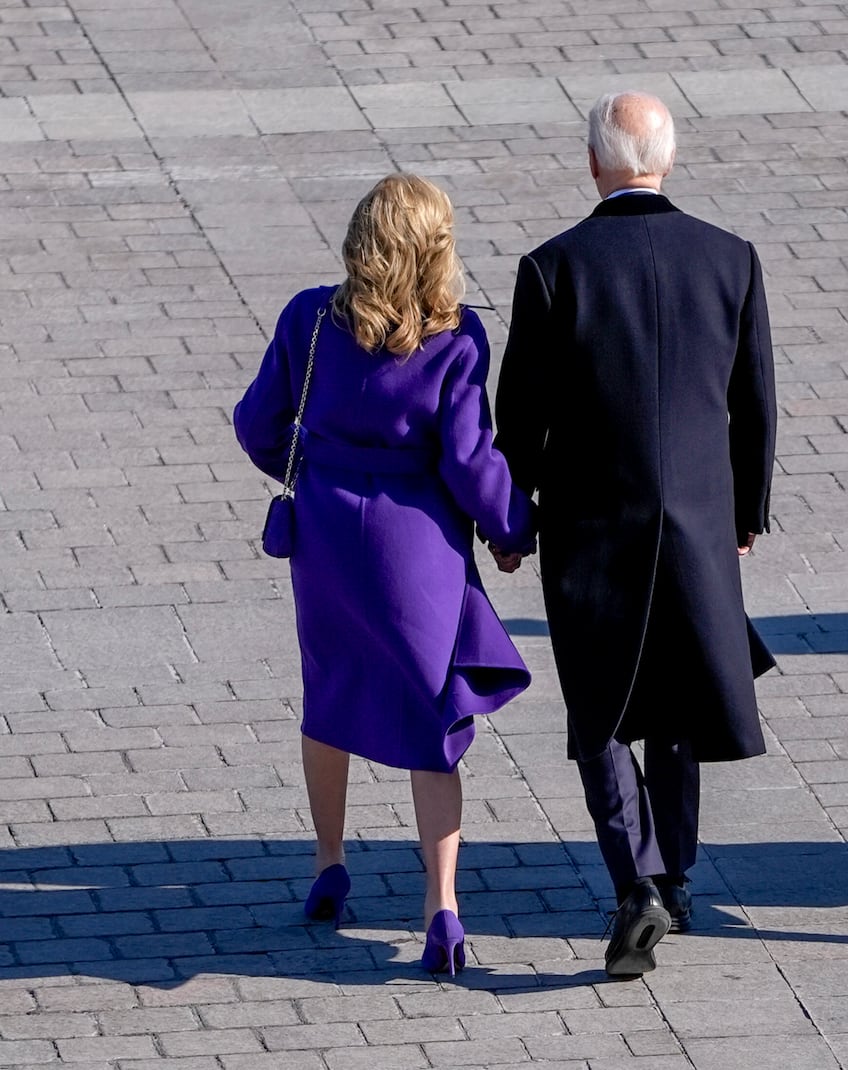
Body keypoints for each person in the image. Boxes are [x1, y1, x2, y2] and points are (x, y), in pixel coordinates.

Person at [491, 91, 777, 978]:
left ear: (591, 164)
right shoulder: (730, 258)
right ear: (669, 158)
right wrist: (744, 514)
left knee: (601, 711)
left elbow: (520, 416)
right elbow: (755, 404)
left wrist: (510, 518)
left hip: (592, 527)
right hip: (696, 518)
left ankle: (636, 883)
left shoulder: (553, 268)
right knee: (680, 697)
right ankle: (678, 873)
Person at [234, 173, 537, 973]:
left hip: (328, 535)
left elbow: (257, 424)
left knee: (327, 689)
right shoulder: (456, 335)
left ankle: (328, 861)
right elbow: (471, 460)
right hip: (418, 543)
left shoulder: (309, 317)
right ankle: (441, 907)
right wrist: (512, 529)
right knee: (431, 719)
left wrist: (314, 465)